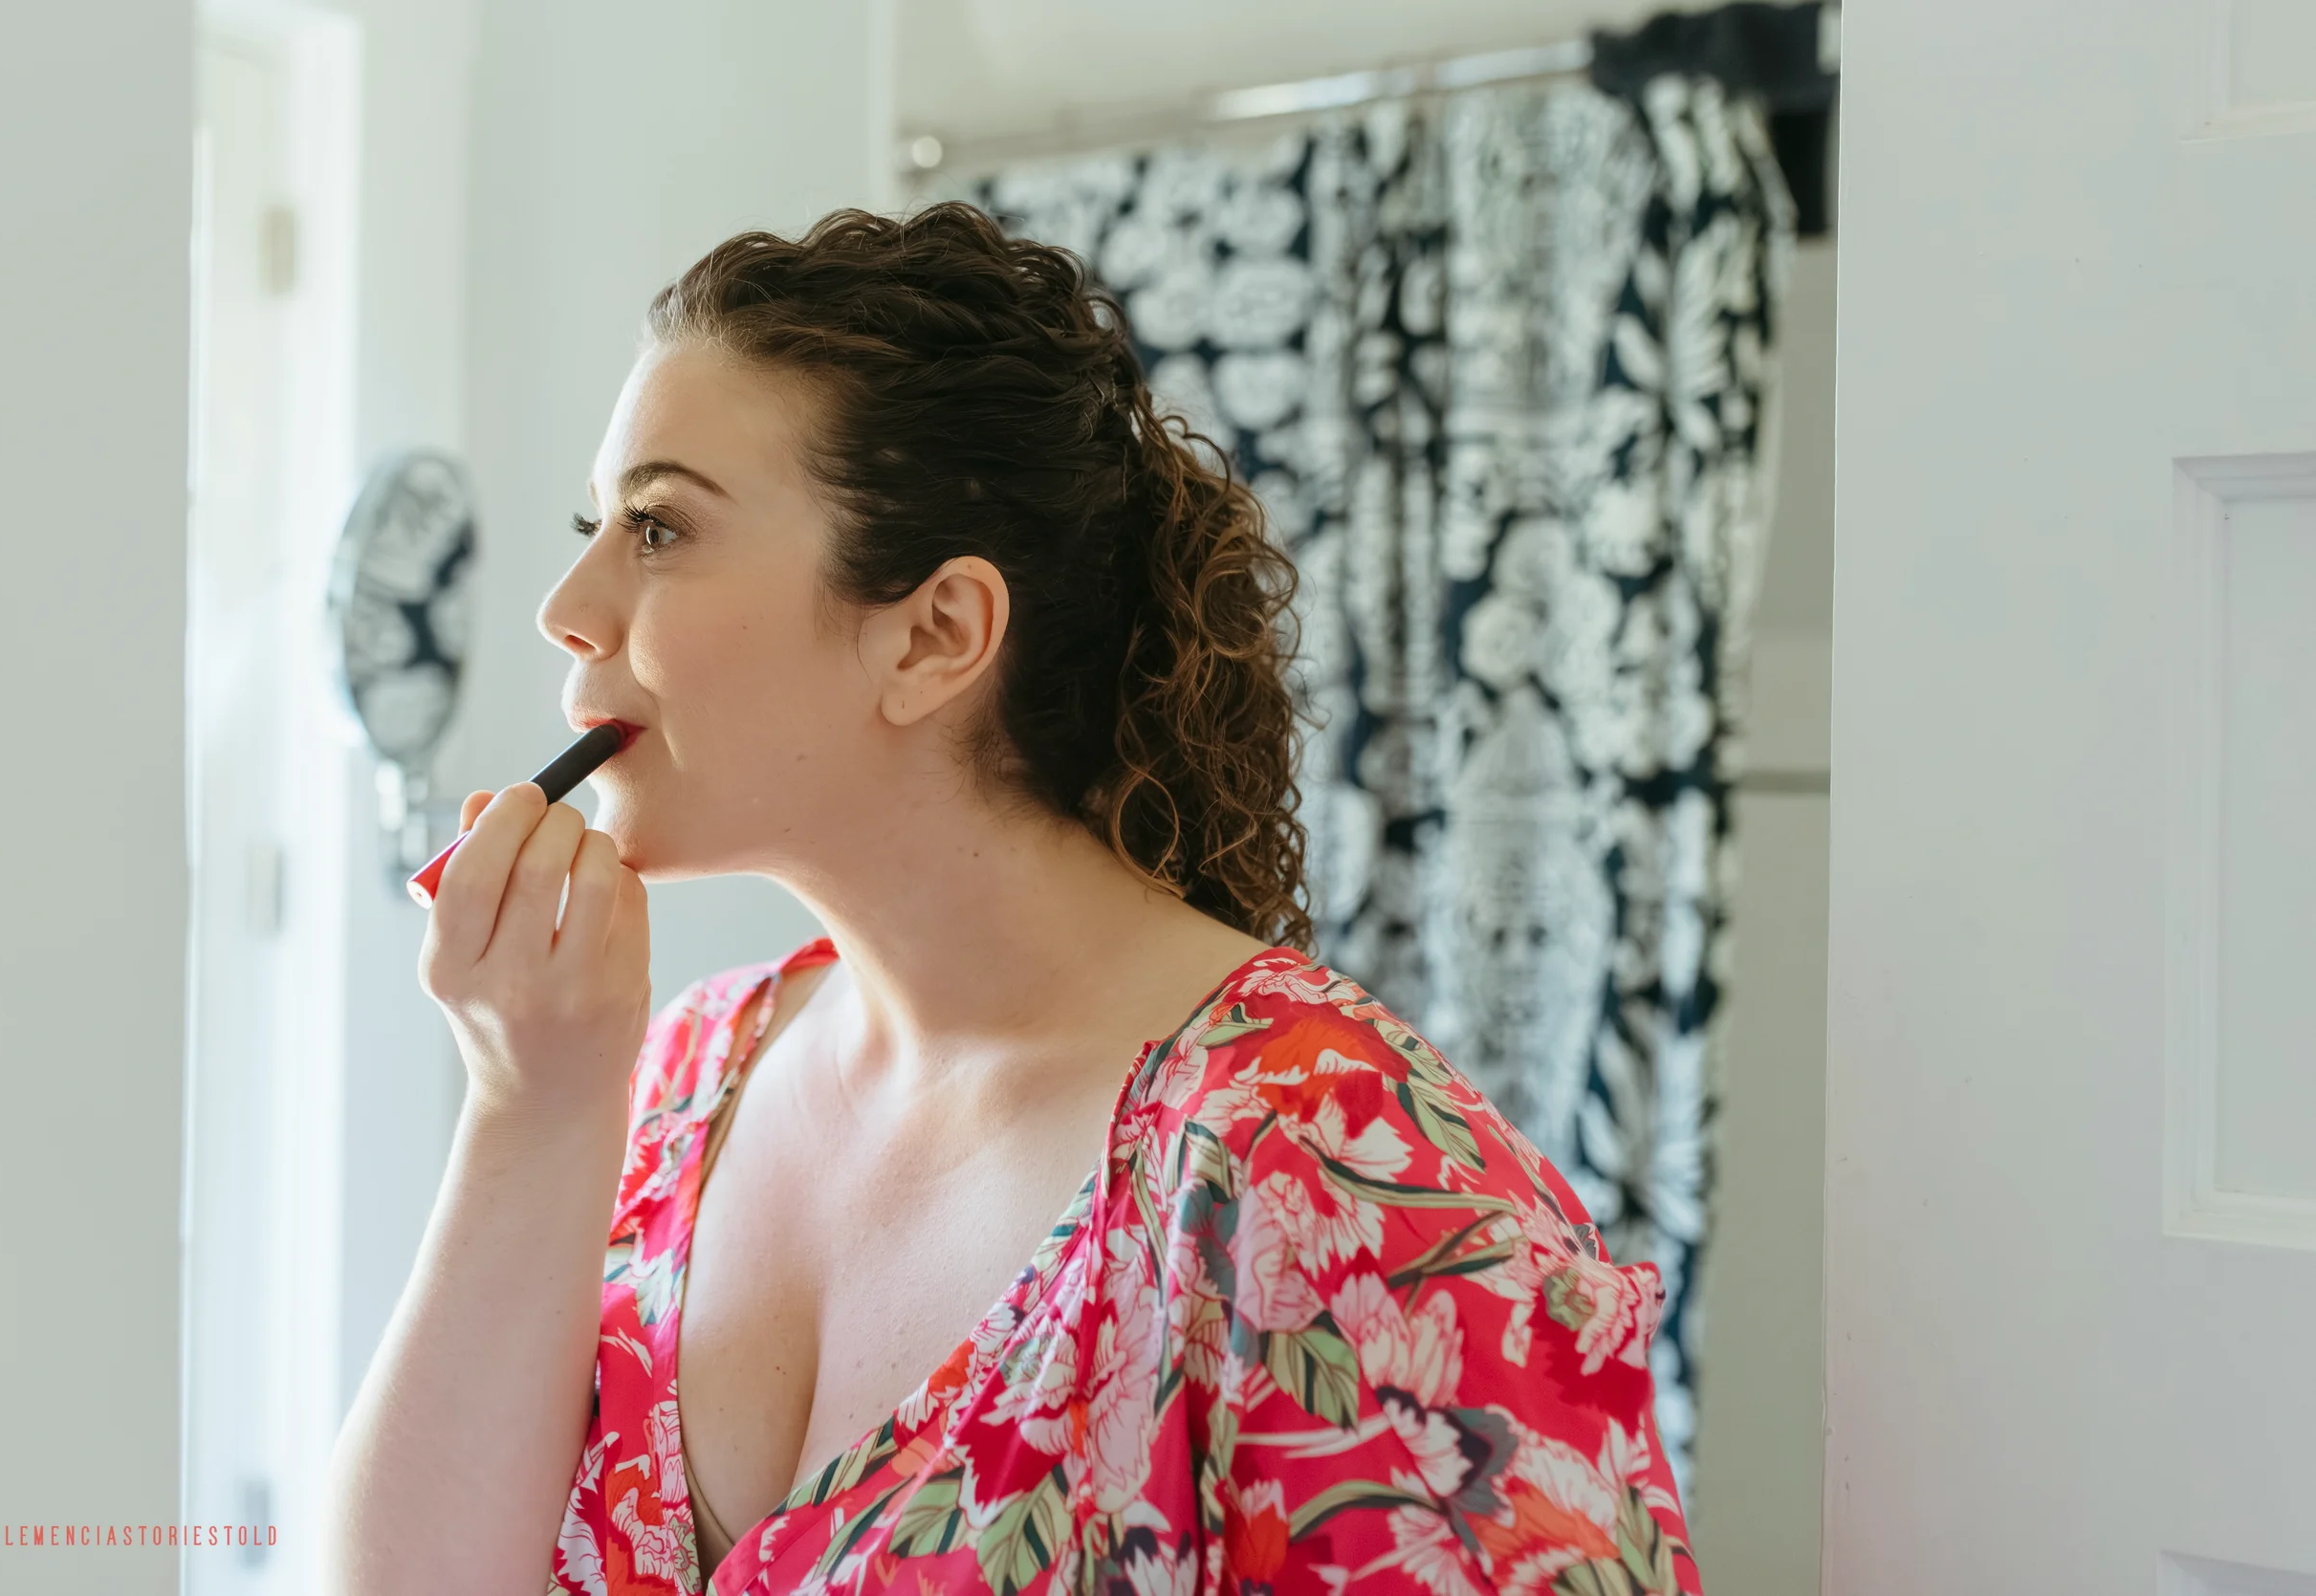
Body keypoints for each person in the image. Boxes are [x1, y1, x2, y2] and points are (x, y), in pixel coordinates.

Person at [323, 203, 1696, 1596]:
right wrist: (527, 1105)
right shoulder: (677, 1078)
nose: (567, 601)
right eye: (595, 526)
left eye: (660, 527)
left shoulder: (1337, 1172)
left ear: (933, 636)